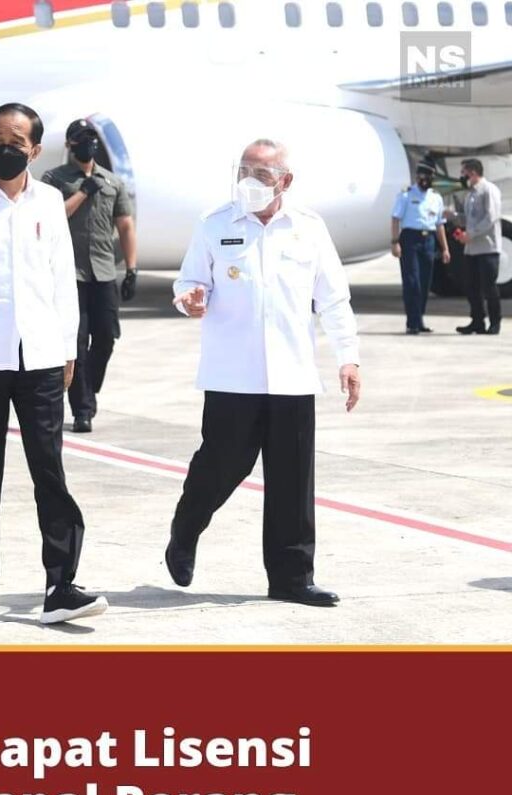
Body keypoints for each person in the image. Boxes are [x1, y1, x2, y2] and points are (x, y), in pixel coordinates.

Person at [0, 101, 108, 625]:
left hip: (42, 358)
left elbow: (61, 278)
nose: (4, 149)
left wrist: (69, 348)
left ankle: (61, 581)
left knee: (49, 470)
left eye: (15, 142)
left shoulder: (49, 201)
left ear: (34, 150)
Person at [170, 138, 361, 607]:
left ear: (285, 181)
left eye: (261, 175)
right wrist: (188, 298)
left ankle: (292, 578)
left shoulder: (308, 228)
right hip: (232, 376)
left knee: (292, 480)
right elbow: (189, 280)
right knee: (221, 466)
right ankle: (186, 528)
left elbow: (334, 299)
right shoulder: (215, 224)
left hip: (292, 376)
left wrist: (348, 357)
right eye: (243, 172)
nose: (248, 183)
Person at [42, 119, 137, 432]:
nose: (88, 145)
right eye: (82, 139)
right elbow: (53, 216)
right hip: (70, 273)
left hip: (104, 271)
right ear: (69, 145)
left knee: (106, 338)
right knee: (78, 342)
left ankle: (88, 390)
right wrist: (83, 192)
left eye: (92, 139)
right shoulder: (54, 179)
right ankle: (82, 409)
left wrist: (131, 269)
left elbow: (125, 225)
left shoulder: (111, 181)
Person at [390, 160, 450, 335]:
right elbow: (395, 219)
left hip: (428, 240)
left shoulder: (436, 197)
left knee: (425, 282)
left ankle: (419, 319)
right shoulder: (406, 195)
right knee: (412, 282)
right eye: (424, 177)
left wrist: (445, 248)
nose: (426, 181)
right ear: (418, 177)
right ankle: (412, 322)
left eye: (429, 178)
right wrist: (395, 242)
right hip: (410, 239)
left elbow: (439, 225)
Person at [455, 158, 503, 336]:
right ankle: (477, 321)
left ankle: (495, 322)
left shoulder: (489, 190)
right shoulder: (470, 194)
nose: (462, 176)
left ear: (473, 172)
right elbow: (469, 218)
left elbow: (491, 217)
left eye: (464, 172)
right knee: (472, 287)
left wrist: (471, 234)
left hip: (487, 248)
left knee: (489, 287)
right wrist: (453, 216)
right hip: (472, 249)